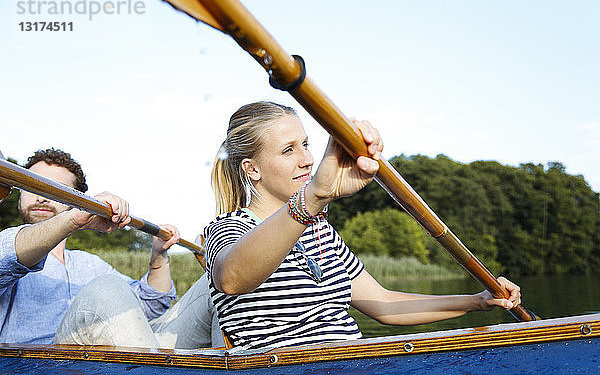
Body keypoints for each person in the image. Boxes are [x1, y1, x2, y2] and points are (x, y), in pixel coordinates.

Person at [203, 101, 522, 350]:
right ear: (252, 169)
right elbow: (232, 279)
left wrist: (478, 301)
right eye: (289, 150)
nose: (307, 159)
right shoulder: (228, 228)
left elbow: (385, 304)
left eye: (305, 144)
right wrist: (316, 196)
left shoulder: (321, 231)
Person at [0, 148, 222, 348]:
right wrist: (73, 219)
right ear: (19, 194)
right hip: (40, 365)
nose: (41, 197)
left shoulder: (91, 265)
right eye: (33, 186)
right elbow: (6, 256)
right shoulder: (9, 252)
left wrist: (159, 256)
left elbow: (149, 305)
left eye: (55, 189)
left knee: (218, 282)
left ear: (73, 200)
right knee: (106, 288)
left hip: (114, 359)